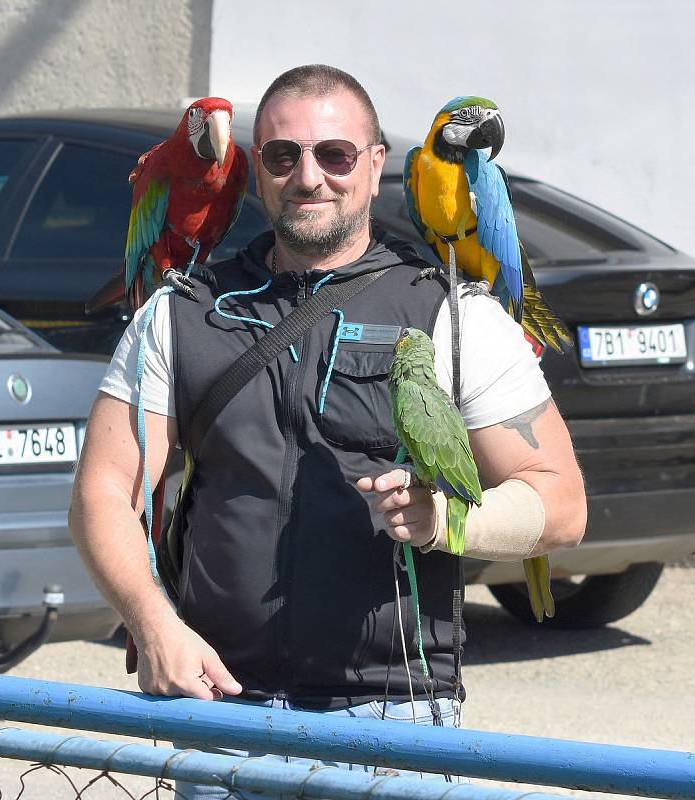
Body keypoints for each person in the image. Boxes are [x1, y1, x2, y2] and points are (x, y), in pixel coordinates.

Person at [69, 64, 586, 796]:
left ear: (376, 168)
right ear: (257, 174)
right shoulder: (182, 313)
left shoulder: (452, 312)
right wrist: (153, 623)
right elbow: (101, 492)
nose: (309, 176)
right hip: (221, 721)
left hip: (391, 725)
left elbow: (560, 505)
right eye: (283, 157)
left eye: (335, 155)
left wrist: (447, 518)